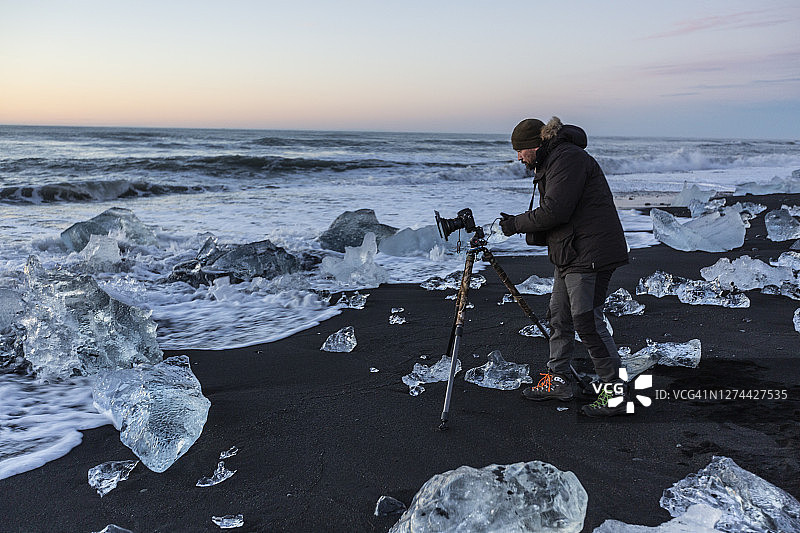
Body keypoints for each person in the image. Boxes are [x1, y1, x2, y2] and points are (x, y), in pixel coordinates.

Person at [499, 116, 630, 417]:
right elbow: (558, 212)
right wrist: (521, 224)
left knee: (587, 321)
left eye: (520, 150)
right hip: (571, 252)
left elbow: (556, 211)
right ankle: (557, 380)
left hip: (590, 252)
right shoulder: (553, 160)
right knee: (559, 317)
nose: (518, 157)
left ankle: (616, 395)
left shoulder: (567, 158)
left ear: (535, 145)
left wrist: (515, 225)